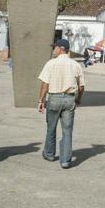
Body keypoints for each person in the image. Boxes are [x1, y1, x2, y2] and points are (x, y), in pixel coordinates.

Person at [38, 38, 85, 169]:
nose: (53, 50)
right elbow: (81, 86)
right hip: (69, 99)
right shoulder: (75, 65)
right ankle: (65, 160)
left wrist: (40, 100)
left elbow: (44, 85)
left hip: (54, 98)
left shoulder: (50, 64)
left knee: (51, 128)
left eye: (55, 48)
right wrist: (78, 99)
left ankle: (49, 153)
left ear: (61, 49)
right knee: (67, 130)